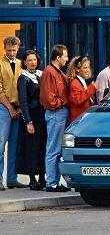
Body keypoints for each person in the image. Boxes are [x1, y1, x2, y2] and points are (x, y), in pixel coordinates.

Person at [39, 44, 70, 192]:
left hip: (59, 112)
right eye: (65, 56)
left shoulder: (57, 72)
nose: (66, 59)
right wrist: (62, 102)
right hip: (56, 113)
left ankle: (55, 181)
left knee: (57, 149)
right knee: (53, 149)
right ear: (58, 57)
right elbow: (48, 99)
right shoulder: (50, 72)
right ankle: (51, 182)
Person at [15, 50, 47, 191]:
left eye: (34, 60)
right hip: (31, 117)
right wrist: (28, 121)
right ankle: (32, 179)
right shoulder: (23, 77)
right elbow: (23, 101)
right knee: (31, 148)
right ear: (25, 62)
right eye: (29, 60)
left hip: (42, 117)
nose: (33, 62)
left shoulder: (41, 74)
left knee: (42, 146)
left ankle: (42, 177)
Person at [0, 36, 28, 191]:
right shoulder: (0, 64)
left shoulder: (20, 65)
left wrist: (20, 108)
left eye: (14, 50)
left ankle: (12, 178)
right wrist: (10, 108)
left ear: (18, 49)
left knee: (14, 145)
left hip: (18, 107)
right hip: (4, 108)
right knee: (1, 144)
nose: (12, 53)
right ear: (5, 48)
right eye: (9, 50)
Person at [67, 56, 97, 123]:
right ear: (77, 69)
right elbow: (77, 100)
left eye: (88, 67)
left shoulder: (82, 81)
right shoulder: (74, 83)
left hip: (84, 119)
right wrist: (92, 88)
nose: (88, 70)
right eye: (85, 68)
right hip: (79, 120)